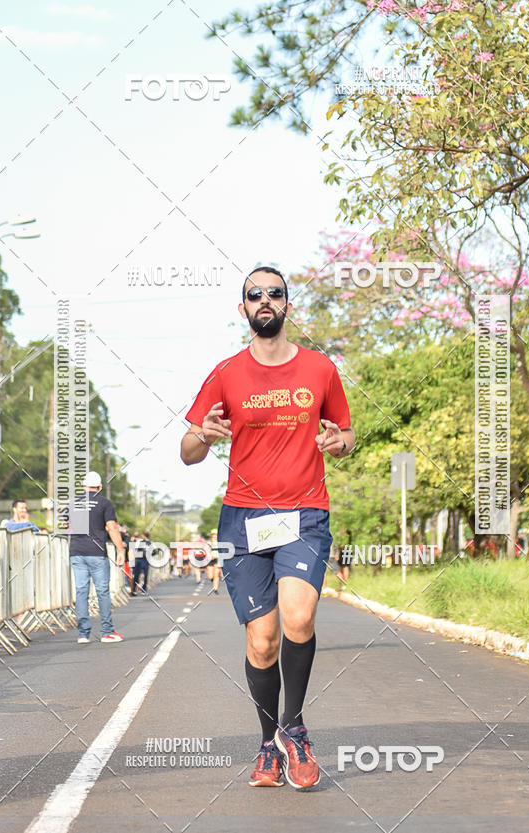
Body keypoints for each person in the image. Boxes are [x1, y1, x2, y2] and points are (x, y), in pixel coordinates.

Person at [180, 266, 354, 790]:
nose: (265, 301)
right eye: (255, 295)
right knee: (262, 642)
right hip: (244, 519)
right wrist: (205, 438)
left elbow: (346, 435)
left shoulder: (321, 369)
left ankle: (294, 728)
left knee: (298, 617)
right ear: (243, 309)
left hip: (305, 512)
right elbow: (187, 450)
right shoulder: (225, 373)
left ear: (287, 306)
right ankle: (267, 743)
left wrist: (338, 443)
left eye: (275, 294)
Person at [67, 471, 125, 643]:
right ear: (99, 487)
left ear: (83, 486)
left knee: (81, 591)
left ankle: (83, 634)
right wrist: (120, 550)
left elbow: (68, 526)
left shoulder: (72, 503)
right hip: (97, 552)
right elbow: (112, 527)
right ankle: (107, 632)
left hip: (77, 551)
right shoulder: (104, 503)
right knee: (102, 591)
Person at [131, 530, 151, 595]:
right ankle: (135, 589)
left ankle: (141, 589)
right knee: (138, 575)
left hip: (143, 560)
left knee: (142, 575)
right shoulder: (140, 541)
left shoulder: (149, 542)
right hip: (140, 559)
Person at [206, 528, 222, 594]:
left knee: (216, 574)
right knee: (210, 576)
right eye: (213, 535)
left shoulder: (221, 542)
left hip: (218, 559)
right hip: (210, 560)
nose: (215, 536)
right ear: (211, 535)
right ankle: (212, 580)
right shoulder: (209, 543)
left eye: (216, 535)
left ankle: (215, 588)